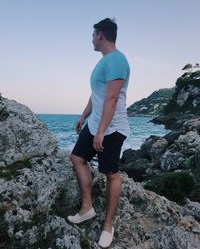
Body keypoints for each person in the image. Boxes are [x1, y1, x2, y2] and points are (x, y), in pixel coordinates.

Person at [67, 18, 130, 248]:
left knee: (111, 174)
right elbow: (98, 95)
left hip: (111, 129)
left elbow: (112, 99)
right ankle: (87, 208)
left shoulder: (117, 61)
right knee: (77, 158)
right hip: (95, 124)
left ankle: (108, 225)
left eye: (93, 34)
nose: (91, 39)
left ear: (101, 35)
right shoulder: (103, 62)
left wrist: (101, 132)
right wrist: (84, 116)